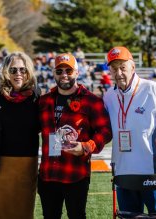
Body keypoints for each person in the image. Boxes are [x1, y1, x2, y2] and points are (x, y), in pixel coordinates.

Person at [103, 46, 156, 214]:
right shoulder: (109, 96)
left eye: (123, 68)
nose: (119, 73)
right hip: (124, 173)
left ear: (132, 67)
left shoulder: (151, 89)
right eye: (114, 69)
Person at [38, 53, 112, 219]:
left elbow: (106, 131)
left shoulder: (91, 101)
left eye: (69, 71)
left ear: (77, 73)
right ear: (54, 73)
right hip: (48, 174)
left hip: (75, 174)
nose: (64, 74)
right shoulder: (44, 101)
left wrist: (87, 146)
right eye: (59, 71)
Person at [0, 52, 40, 219]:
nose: (18, 74)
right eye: (13, 70)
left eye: (22, 69)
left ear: (28, 71)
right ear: (6, 71)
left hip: (26, 162)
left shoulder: (36, 94)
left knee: (22, 211)